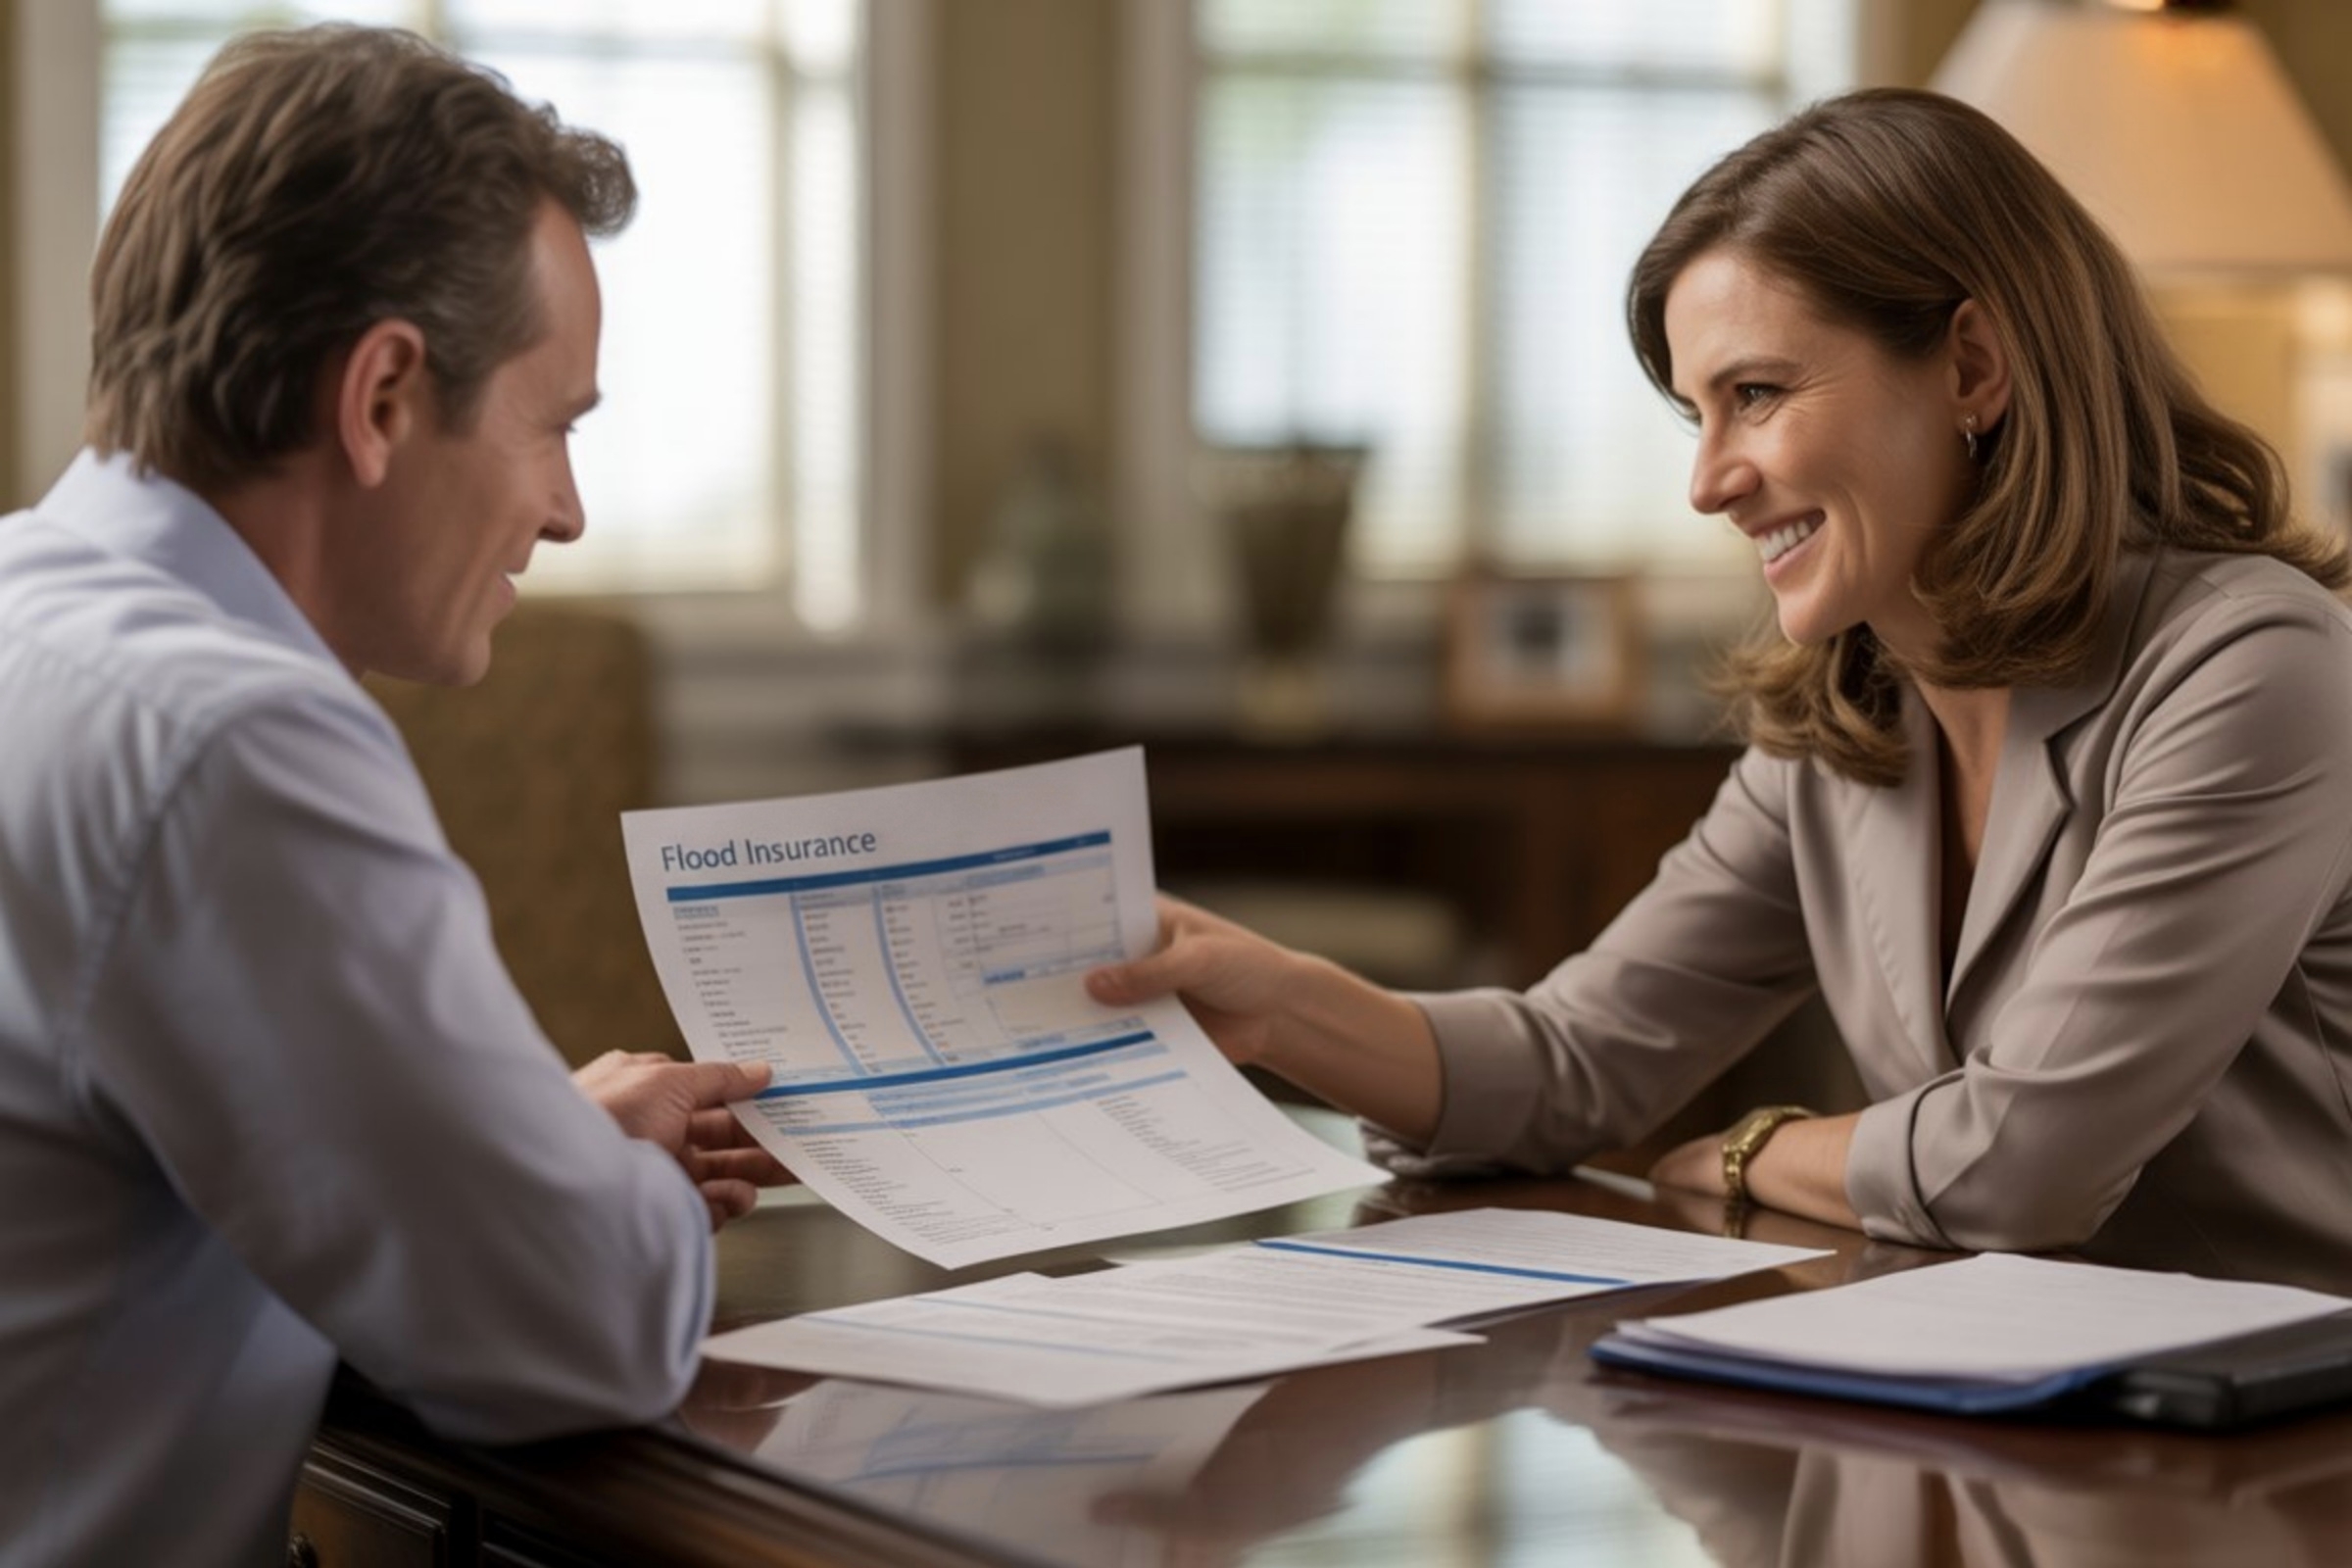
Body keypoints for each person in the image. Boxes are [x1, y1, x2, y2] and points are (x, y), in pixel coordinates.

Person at [1089, 87, 2352, 1292]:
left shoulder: (2252, 664)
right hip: (2010, 1388)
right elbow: (1575, 1063)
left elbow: (2026, 1163)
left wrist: (1755, 1153)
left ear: (1973, 367)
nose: (1709, 483)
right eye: (1697, 413)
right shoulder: (1849, 714)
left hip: (2285, 1413)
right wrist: (1284, 1006)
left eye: (1756, 394)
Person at [0, 25, 787, 1567]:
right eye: (555, 425)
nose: (566, 511)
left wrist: (516, 1149)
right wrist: (589, 1192)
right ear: (380, 398)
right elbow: (584, 1328)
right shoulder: (235, 744)